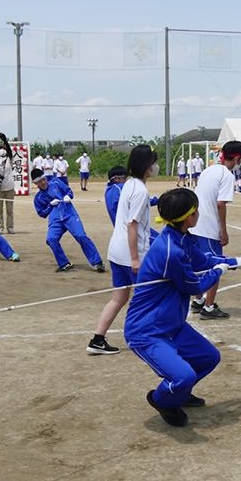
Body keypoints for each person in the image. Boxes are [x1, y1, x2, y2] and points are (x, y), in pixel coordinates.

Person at [124, 188, 241, 427]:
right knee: (184, 375)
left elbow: (203, 260)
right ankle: (163, 399)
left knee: (208, 358)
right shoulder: (170, 251)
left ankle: (179, 393)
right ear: (188, 217)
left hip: (172, 324)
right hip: (147, 332)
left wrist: (233, 262)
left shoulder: (183, 237)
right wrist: (219, 271)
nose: (199, 214)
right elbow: (193, 287)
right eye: (196, 210)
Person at [88, 144, 158, 355]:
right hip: (130, 255)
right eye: (154, 162)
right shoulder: (139, 190)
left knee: (119, 298)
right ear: (147, 166)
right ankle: (141, 337)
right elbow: (132, 225)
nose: (156, 166)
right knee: (147, 298)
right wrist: (136, 259)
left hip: (116, 252)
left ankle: (97, 339)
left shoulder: (129, 184)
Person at [188, 140, 241, 319]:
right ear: (237, 158)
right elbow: (220, 204)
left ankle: (198, 299)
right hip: (208, 227)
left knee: (198, 264)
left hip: (195, 225)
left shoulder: (209, 170)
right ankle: (209, 306)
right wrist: (223, 230)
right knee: (217, 264)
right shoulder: (227, 176)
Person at [32, 168, 105, 273]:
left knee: (81, 236)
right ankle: (64, 263)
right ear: (36, 183)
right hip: (55, 220)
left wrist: (68, 196)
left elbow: (69, 191)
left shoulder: (56, 182)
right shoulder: (38, 198)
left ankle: (97, 262)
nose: (43, 183)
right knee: (51, 239)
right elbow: (41, 213)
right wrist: (50, 205)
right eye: (39, 182)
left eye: (43, 179)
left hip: (69, 214)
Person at [0, 133, 16, 234]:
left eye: (4, 149)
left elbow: (10, 151)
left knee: (9, 210)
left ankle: (10, 227)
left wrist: (4, 140)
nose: (2, 150)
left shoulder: (10, 160)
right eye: (0, 149)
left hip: (9, 187)